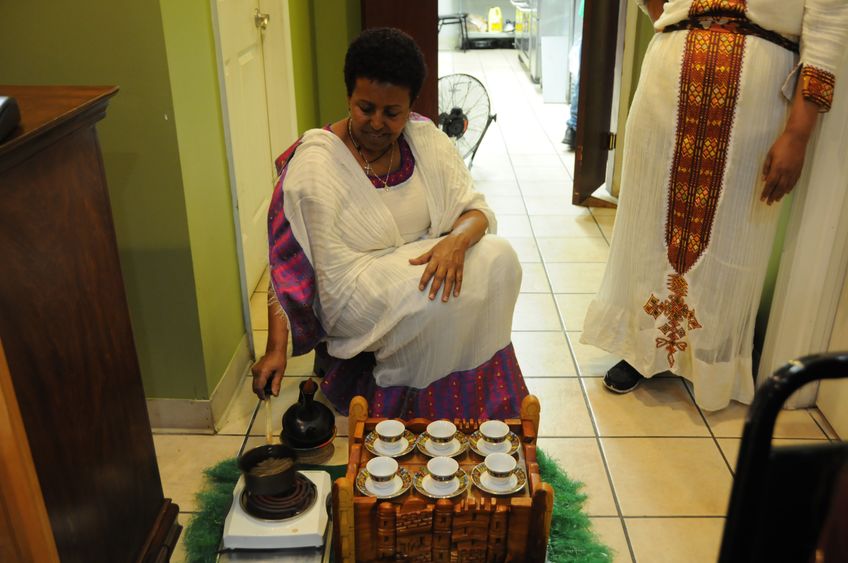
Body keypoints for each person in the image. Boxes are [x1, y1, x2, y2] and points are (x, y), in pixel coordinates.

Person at [581, 0, 848, 410]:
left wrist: (798, 132)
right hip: (669, 70)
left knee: (734, 231)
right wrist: (673, 18)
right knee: (651, 221)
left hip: (759, 86)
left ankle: (712, 361)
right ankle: (641, 349)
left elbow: (829, 22)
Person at [251, 28, 528, 419]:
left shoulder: (424, 139)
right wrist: (275, 349)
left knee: (501, 259)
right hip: (353, 284)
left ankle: (478, 409)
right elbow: (286, 265)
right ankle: (417, 416)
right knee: (432, 302)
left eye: (392, 112)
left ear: (411, 106)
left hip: (423, 260)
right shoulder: (315, 162)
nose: (377, 123)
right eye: (365, 108)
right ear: (348, 96)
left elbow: (475, 211)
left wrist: (455, 242)